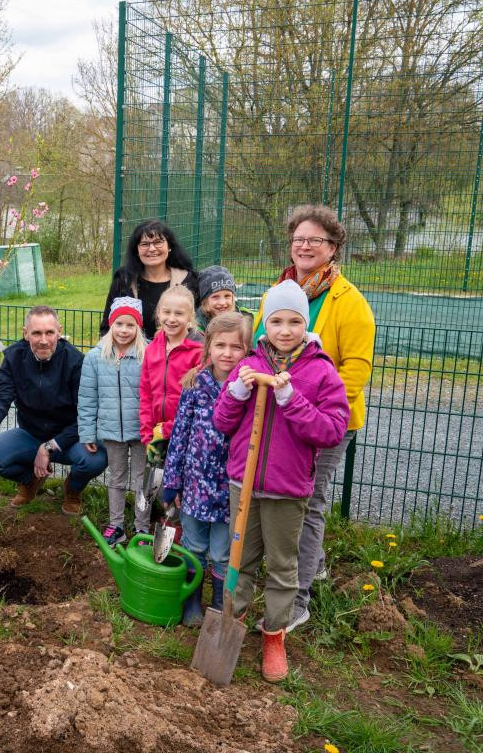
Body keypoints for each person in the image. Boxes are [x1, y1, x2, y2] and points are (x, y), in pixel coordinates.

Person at [213, 280, 349, 682]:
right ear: (264, 325)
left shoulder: (321, 372)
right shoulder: (249, 365)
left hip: (287, 490)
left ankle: (274, 635)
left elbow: (330, 431)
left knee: (283, 567)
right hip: (244, 482)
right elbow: (222, 422)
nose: (285, 330)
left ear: (305, 326)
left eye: (294, 321)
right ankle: (229, 624)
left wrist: (293, 401)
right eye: (276, 321)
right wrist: (236, 391)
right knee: (240, 560)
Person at [252, 204, 375, 631]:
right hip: (274, 417)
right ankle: (313, 564)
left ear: (333, 247)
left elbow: (356, 368)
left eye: (315, 240)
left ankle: (297, 599)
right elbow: (258, 344)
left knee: (306, 502)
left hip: (321, 424)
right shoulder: (278, 291)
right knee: (288, 500)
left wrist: (310, 409)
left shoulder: (349, 302)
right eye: (299, 238)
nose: (305, 245)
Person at [160, 312, 250, 627]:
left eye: (236, 347)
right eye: (220, 345)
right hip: (195, 485)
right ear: (208, 347)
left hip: (230, 488)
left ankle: (218, 606)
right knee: (195, 547)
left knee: (224, 553)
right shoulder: (194, 384)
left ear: (247, 350)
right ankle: (192, 600)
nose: (227, 353)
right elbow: (179, 436)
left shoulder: (250, 390)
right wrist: (172, 482)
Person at [0, 306, 108, 516]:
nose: (43, 340)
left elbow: (86, 415)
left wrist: (49, 446)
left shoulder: (76, 362)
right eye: (36, 333)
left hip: (69, 438)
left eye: (49, 333)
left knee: (96, 458)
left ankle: (73, 488)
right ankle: (31, 479)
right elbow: (1, 395)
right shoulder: (14, 357)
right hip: (31, 434)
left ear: (59, 331)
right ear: (25, 333)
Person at [77, 296, 147, 546]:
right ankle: (116, 525)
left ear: (138, 327)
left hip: (141, 433)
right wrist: (87, 433)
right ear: (111, 324)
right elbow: (87, 398)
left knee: (142, 479)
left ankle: (142, 528)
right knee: (116, 478)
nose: (124, 330)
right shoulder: (95, 357)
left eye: (131, 325)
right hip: (111, 432)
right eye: (119, 324)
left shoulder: (146, 354)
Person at [137, 285, 203, 532]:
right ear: (158, 314)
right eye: (167, 312)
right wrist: (147, 432)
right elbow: (145, 392)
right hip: (157, 435)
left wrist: (169, 429)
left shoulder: (199, 352)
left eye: (179, 313)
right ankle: (163, 527)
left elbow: (198, 403)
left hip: (184, 435)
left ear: (190, 318)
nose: (172, 319)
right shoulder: (153, 348)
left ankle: (185, 539)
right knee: (160, 486)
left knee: (182, 488)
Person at [101, 220, 198, 338]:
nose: (152, 249)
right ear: (136, 250)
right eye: (144, 244)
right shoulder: (124, 279)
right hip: (131, 354)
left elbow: (195, 324)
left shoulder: (188, 280)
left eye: (158, 242)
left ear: (169, 247)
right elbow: (107, 326)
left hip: (176, 353)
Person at [196, 264, 252, 330]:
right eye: (215, 297)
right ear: (205, 301)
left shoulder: (247, 318)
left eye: (227, 296)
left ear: (233, 298)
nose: (222, 302)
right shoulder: (196, 328)